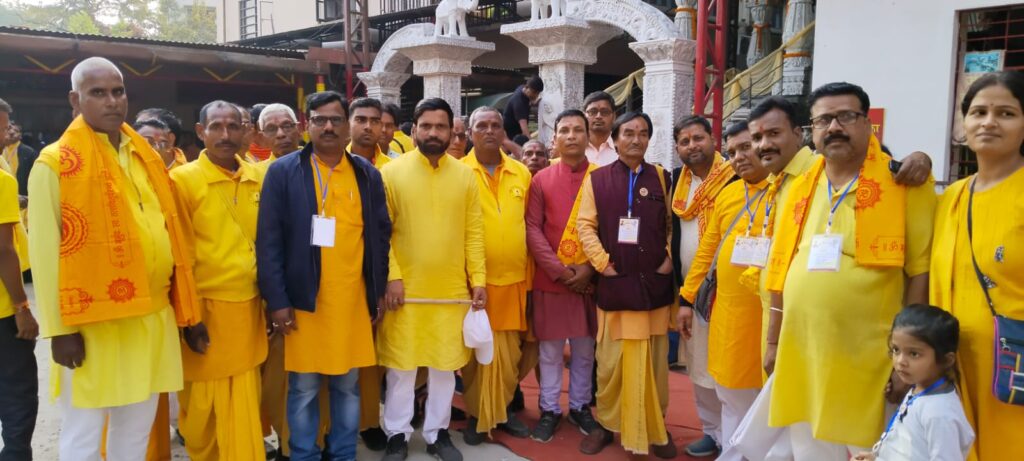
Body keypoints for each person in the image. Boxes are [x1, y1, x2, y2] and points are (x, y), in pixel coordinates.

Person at [29, 57, 200, 460]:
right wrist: (59, 331)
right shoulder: (54, 163)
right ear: (76, 100)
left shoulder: (144, 155)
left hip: (150, 317)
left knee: (136, 429)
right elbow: (44, 257)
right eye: (98, 93)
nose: (112, 101)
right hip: (93, 325)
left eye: (118, 91)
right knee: (84, 431)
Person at [759, 82, 936, 459]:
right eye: (823, 120)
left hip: (870, 360)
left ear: (868, 124)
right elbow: (781, 266)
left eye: (846, 116)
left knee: (870, 451)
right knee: (808, 449)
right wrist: (773, 342)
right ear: (812, 130)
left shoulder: (902, 183)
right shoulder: (801, 187)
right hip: (803, 352)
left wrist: (908, 359)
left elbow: (919, 274)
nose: (834, 127)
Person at [257, 90, 390, 461]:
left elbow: (380, 238)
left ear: (347, 125)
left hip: (352, 302)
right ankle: (304, 455)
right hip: (304, 303)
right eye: (319, 120)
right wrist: (277, 300)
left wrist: (376, 292)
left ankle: (344, 453)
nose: (328, 127)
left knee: (348, 386)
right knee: (303, 388)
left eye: (335, 119)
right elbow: (268, 241)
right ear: (307, 125)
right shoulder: (284, 172)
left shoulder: (366, 174)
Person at [377, 97, 486, 461]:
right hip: (405, 292)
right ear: (413, 131)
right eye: (426, 126)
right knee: (401, 367)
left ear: (452, 132)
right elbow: (382, 234)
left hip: (451, 292)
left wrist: (479, 279)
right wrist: (392, 278)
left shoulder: (465, 176)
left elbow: (474, 232)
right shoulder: (391, 173)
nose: (433, 133)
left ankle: (437, 433)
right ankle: (397, 434)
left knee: (444, 367)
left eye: (441, 126)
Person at [930, 71, 1024, 461]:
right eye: (979, 112)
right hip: (952, 368)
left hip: (1012, 371)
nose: (989, 122)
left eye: (1006, 113)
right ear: (964, 123)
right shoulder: (950, 197)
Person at [169, 100, 268, 460]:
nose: (226, 135)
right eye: (216, 127)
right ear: (201, 132)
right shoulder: (182, 181)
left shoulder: (258, 176)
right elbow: (179, 255)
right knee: (202, 402)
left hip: (250, 306)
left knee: (245, 392)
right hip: (204, 308)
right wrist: (189, 316)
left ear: (245, 131)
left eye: (233, 126)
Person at [576, 111, 677, 458]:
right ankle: (607, 425)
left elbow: (672, 225)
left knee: (655, 365)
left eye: (643, 133)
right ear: (615, 139)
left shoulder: (662, 177)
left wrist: (668, 258)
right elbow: (585, 225)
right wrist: (602, 263)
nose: (636, 139)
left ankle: (656, 428)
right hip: (615, 284)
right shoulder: (597, 179)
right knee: (611, 364)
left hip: (653, 286)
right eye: (629, 133)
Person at [678, 120, 770, 461]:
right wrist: (686, 297)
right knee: (730, 390)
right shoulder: (728, 194)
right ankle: (732, 451)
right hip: (730, 311)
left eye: (747, 147)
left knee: (769, 393)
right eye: (733, 152)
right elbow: (706, 252)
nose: (740, 157)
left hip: (773, 311)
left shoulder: (790, 188)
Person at [524, 109, 600, 443]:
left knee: (585, 351)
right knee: (550, 352)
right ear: (554, 138)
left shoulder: (601, 177)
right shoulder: (541, 180)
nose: (571, 136)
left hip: (590, 282)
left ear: (588, 136)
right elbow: (533, 229)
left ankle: (581, 406)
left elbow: (608, 230)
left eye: (578, 130)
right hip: (551, 279)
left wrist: (589, 269)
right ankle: (550, 408)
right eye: (564, 130)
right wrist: (559, 271)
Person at [459, 106, 532, 444]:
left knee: (509, 355)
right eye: (482, 126)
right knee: (477, 356)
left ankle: (501, 412)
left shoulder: (521, 173)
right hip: (474, 284)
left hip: (515, 280)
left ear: (503, 132)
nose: (489, 131)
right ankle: (478, 416)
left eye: (495, 126)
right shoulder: (458, 172)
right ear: (470, 133)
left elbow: (530, 225)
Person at [669, 114, 733, 458]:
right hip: (692, 292)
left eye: (698, 138)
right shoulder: (677, 183)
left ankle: (734, 439)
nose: (692, 146)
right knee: (697, 365)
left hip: (731, 290)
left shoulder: (734, 176)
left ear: (713, 139)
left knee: (730, 368)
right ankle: (711, 431)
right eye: (684, 141)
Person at [851, 304, 974, 461]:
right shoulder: (920, 388)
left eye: (914, 354)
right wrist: (876, 457)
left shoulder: (940, 413)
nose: (900, 361)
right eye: (896, 350)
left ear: (946, 360)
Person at [0, 97, 37, 461]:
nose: (5, 135)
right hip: (2, 307)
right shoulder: (0, 180)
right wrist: (22, 307)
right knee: (18, 391)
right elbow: (3, 250)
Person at [348, 97, 391, 167]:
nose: (368, 127)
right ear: (348, 124)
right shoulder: (333, 165)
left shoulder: (392, 167)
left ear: (381, 126)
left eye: (375, 121)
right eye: (360, 120)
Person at [583, 91, 618, 167]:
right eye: (593, 112)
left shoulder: (623, 148)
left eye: (605, 112)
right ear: (584, 116)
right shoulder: (576, 146)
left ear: (614, 116)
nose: (598, 116)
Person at [3, 121, 39, 194]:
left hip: (21, 193)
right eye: (9, 129)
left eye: (16, 131)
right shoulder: (1, 149)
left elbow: (35, 177)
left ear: (20, 135)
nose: (12, 132)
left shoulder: (29, 152)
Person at [503, 75, 543, 140]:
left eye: (538, 93)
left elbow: (529, 101)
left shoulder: (521, 89)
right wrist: (531, 142)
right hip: (510, 136)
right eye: (534, 92)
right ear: (526, 87)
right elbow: (525, 131)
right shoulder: (519, 103)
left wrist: (534, 102)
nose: (536, 95)